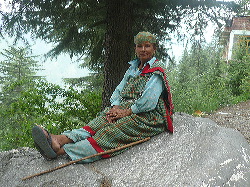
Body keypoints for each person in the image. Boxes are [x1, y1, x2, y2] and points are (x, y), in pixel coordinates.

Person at [32, 31, 174, 163]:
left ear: (154, 49)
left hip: (148, 116)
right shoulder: (134, 67)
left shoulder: (157, 69)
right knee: (100, 122)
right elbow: (119, 89)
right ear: (135, 49)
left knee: (111, 132)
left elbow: (148, 101)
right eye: (139, 46)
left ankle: (61, 151)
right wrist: (116, 107)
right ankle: (58, 139)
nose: (143, 50)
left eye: (147, 46)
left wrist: (125, 112)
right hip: (125, 108)